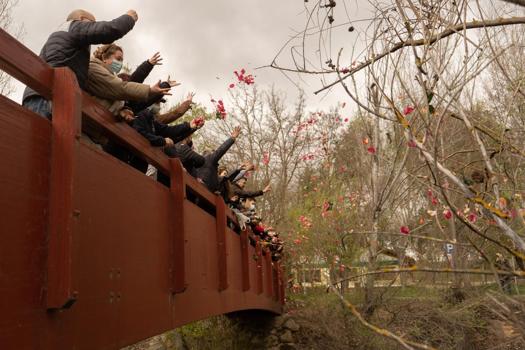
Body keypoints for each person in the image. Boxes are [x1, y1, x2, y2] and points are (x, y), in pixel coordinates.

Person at [22, 9, 139, 119]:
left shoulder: (67, 37)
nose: (93, 26)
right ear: (82, 19)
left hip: (43, 95)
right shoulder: (75, 27)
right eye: (92, 23)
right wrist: (128, 18)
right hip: (47, 97)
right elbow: (108, 30)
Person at [86, 43, 171, 116]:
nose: (120, 63)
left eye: (122, 60)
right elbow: (120, 88)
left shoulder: (112, 76)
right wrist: (150, 90)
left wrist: (124, 111)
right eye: (118, 59)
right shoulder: (93, 67)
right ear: (104, 57)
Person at [194, 127, 242, 193]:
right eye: (213, 152)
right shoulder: (209, 159)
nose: (215, 154)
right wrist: (232, 138)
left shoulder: (198, 162)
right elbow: (221, 150)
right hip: (203, 191)